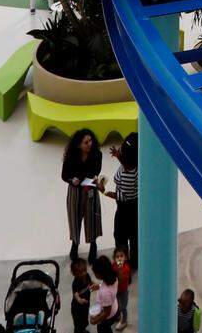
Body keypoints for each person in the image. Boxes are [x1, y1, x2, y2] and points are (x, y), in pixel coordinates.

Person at [62, 128, 103, 263]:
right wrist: (72, 180)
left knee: (92, 219)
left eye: (90, 140)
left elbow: (96, 169)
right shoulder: (71, 156)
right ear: (78, 145)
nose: (90, 143)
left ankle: (93, 245)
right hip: (75, 192)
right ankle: (75, 244)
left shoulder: (97, 154)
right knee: (75, 218)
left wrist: (96, 177)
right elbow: (64, 175)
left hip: (90, 189)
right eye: (86, 142)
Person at [106, 134, 138, 272]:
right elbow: (127, 163)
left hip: (125, 209)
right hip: (135, 208)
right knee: (135, 237)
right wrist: (119, 156)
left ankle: (123, 267)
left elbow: (124, 196)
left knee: (120, 237)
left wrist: (105, 192)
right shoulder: (136, 167)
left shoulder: (127, 174)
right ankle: (135, 262)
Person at [88, 255, 119, 333]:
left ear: (99, 275)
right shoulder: (114, 278)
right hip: (115, 306)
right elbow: (109, 289)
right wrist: (99, 286)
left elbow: (106, 312)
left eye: (94, 273)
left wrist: (95, 321)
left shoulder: (105, 292)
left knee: (103, 330)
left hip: (108, 316)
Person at [69, 256, 93, 333]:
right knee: (78, 323)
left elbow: (91, 282)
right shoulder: (75, 283)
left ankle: (83, 329)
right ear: (74, 273)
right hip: (77, 308)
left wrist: (97, 286)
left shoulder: (87, 276)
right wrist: (79, 300)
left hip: (85, 304)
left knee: (84, 319)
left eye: (84, 270)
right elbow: (75, 294)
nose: (83, 273)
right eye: (80, 272)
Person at [111, 247, 132, 330]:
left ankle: (124, 321)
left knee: (123, 307)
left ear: (125, 257)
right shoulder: (113, 265)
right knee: (116, 304)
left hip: (123, 291)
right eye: (117, 256)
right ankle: (118, 315)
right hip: (116, 289)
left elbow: (123, 279)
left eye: (121, 256)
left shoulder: (126, 268)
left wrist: (119, 270)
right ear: (114, 258)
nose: (119, 258)